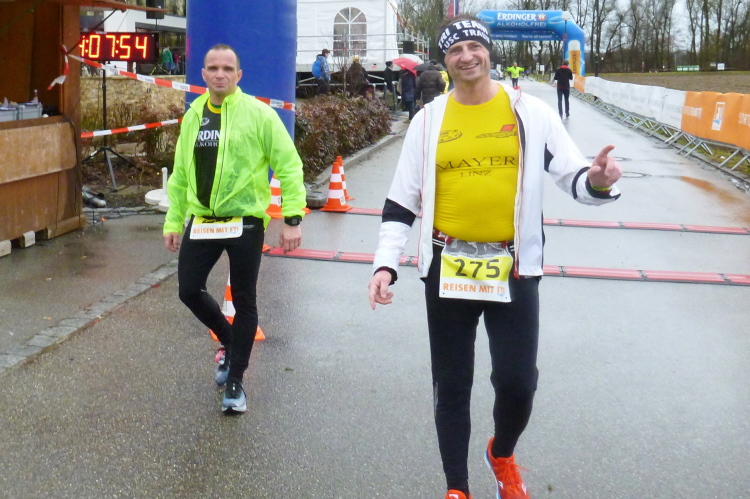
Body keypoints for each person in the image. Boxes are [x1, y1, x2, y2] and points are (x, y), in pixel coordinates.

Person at [367, 15, 622, 499]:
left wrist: (597, 181)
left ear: (488, 51)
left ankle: (501, 453)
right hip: (446, 266)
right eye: (455, 50)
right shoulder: (428, 120)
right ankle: (457, 487)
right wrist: (385, 263)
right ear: (444, 61)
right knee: (451, 384)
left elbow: (574, 176)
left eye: (474, 46)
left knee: (518, 383)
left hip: (514, 267)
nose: (466, 56)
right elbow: (401, 200)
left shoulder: (531, 113)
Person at [163, 44, 306, 414]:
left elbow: (289, 165)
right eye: (213, 68)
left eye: (227, 68)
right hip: (203, 220)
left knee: (244, 300)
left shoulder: (259, 114)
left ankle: (236, 380)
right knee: (188, 290)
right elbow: (181, 173)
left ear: (239, 75)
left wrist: (292, 218)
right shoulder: (194, 115)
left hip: (245, 220)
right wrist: (174, 220)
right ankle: (229, 341)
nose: (220, 74)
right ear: (203, 74)